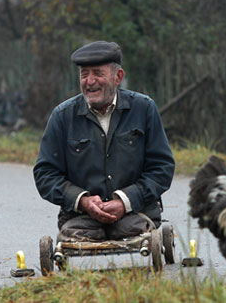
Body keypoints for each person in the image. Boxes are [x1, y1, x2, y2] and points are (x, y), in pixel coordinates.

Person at [33, 40, 175, 242]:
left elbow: (162, 168)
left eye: (98, 73)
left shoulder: (144, 109)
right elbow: (45, 174)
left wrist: (125, 201)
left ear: (118, 77)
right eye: (84, 74)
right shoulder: (62, 116)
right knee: (79, 233)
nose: (90, 81)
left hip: (135, 213)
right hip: (80, 218)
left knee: (131, 229)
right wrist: (82, 201)